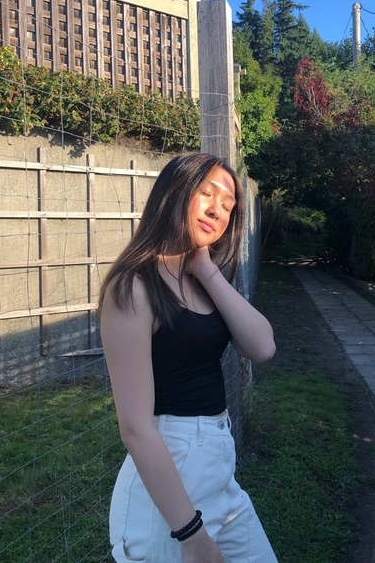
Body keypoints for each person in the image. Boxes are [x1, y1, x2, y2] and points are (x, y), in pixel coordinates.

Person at [98, 152, 278, 562]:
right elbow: (135, 429)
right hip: (168, 490)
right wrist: (192, 536)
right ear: (174, 192)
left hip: (219, 477)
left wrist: (205, 269)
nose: (218, 210)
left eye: (228, 205)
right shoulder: (133, 287)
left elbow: (262, 347)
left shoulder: (202, 280)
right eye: (208, 194)